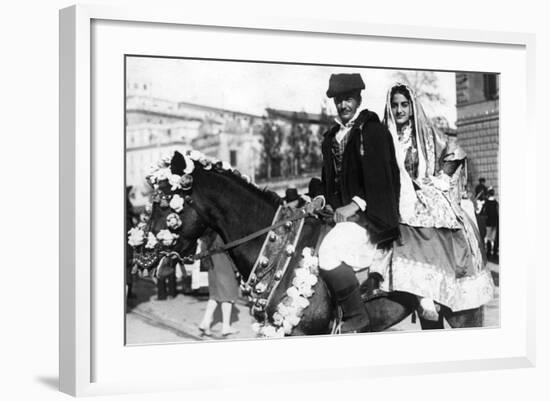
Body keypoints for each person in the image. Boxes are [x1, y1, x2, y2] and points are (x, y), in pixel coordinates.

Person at [381, 83, 494, 320]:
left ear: (412, 107)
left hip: (423, 191)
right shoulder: (384, 136)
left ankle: (430, 292)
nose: (399, 110)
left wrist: (441, 179)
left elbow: (454, 150)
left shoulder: (425, 133)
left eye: (404, 105)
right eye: (395, 105)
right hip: (394, 196)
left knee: (430, 224)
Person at [316, 73, 401, 333]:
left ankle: (356, 314)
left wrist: (354, 205)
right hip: (340, 219)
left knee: (327, 253)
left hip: (369, 218)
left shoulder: (372, 131)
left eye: (348, 99)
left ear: (359, 99)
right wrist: (320, 199)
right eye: (339, 100)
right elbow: (327, 180)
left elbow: (382, 180)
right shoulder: (331, 137)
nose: (343, 105)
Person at [198, 230, 240, 337]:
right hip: (224, 267)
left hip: (212, 268)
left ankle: (205, 322)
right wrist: (237, 269)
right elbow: (230, 253)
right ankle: (226, 327)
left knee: (215, 296)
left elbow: (202, 254)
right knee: (228, 296)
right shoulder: (220, 235)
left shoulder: (204, 238)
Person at [481, 188, 499, 256]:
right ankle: (494, 252)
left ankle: (488, 252)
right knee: (494, 237)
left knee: (488, 237)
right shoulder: (496, 203)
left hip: (488, 222)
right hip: (495, 223)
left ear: (488, 194)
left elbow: (483, 212)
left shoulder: (486, 203)